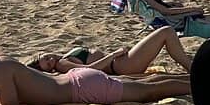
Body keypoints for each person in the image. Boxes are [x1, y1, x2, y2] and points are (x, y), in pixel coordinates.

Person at [0, 42, 189, 105]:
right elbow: (14, 91)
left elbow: (10, 104)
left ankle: (198, 84)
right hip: (79, 79)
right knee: (146, 83)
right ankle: (193, 80)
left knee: (150, 91)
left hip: (82, 89)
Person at [28, 25, 193, 74]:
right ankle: (192, 69)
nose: (51, 60)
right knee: (166, 32)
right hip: (121, 66)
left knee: (166, 33)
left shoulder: (63, 57)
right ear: (51, 71)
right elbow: (90, 70)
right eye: (49, 65)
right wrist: (114, 54)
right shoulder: (63, 64)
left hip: (120, 63)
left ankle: (191, 68)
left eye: (46, 57)